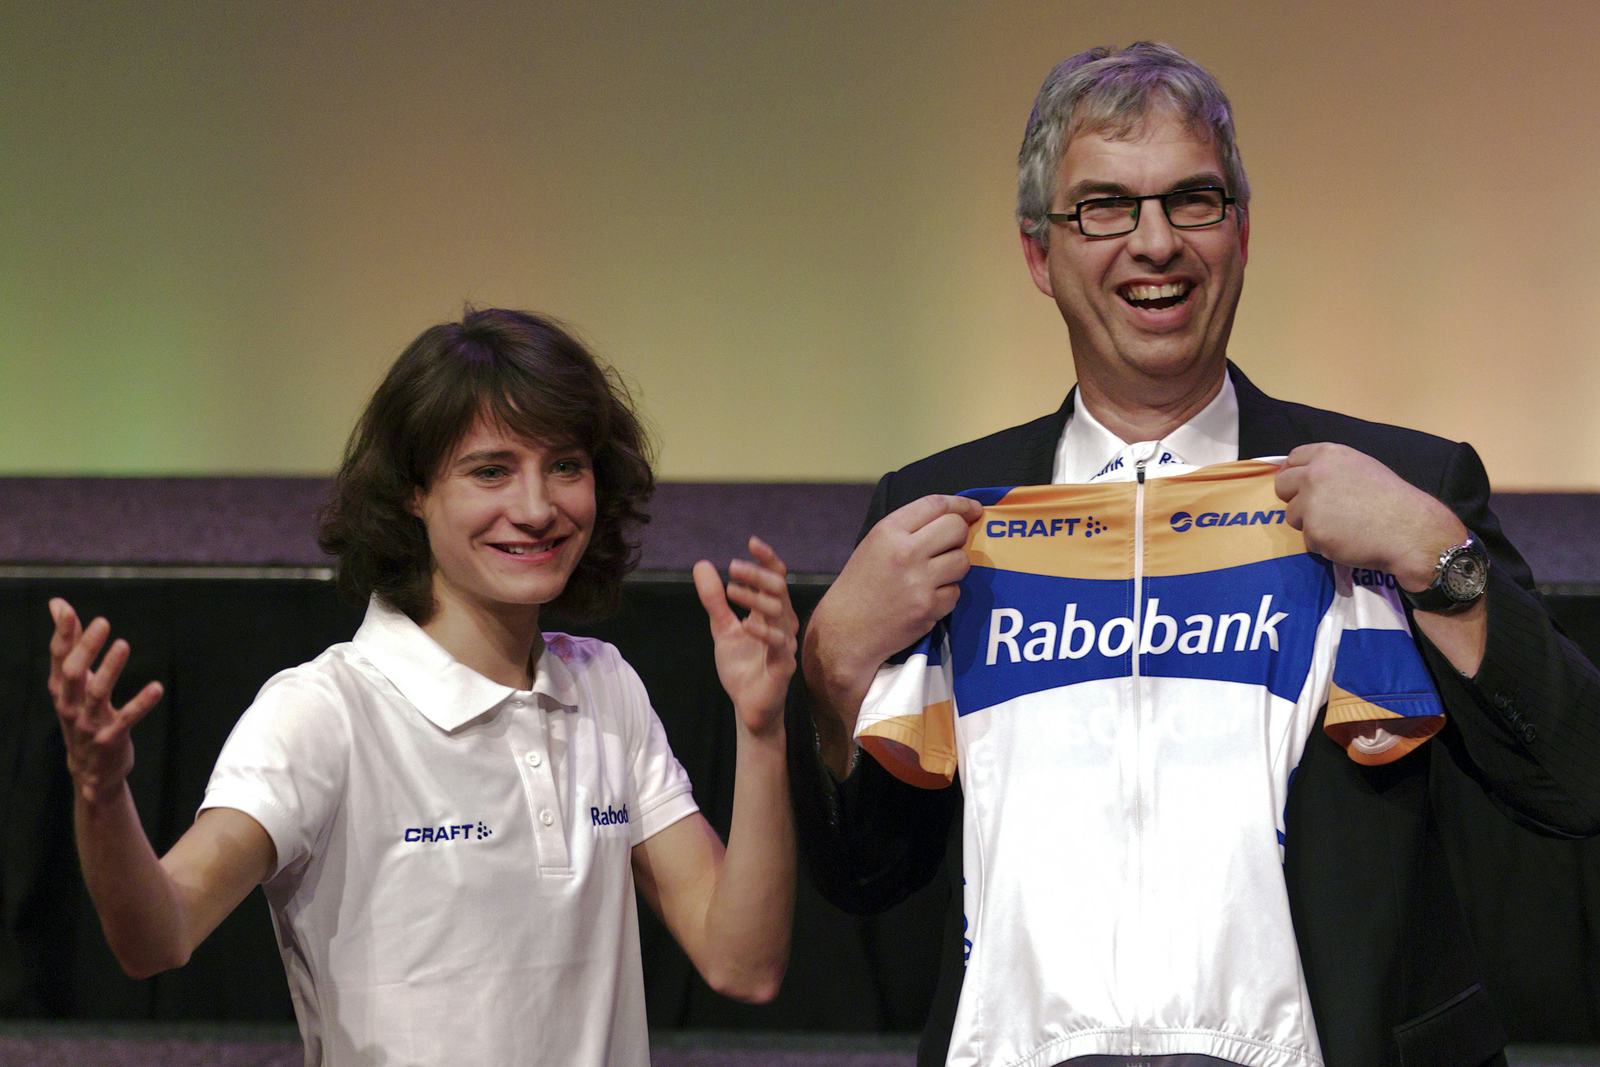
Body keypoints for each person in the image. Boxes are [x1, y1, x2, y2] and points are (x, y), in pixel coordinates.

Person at [789, 42, 1600, 1067]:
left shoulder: (1399, 485)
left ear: (1242, 232)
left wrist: (1438, 555)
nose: (1155, 242)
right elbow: (863, 877)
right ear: (1039, 253)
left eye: (1193, 200)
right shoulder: (937, 514)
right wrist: (831, 674)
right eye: (1104, 208)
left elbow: (1577, 781)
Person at [48, 307, 797, 1066]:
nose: (538, 508)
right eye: (491, 470)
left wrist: (761, 731)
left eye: (566, 464)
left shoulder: (605, 687)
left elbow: (743, 962)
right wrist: (101, 795)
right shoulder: (324, 712)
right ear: (413, 490)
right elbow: (158, 934)